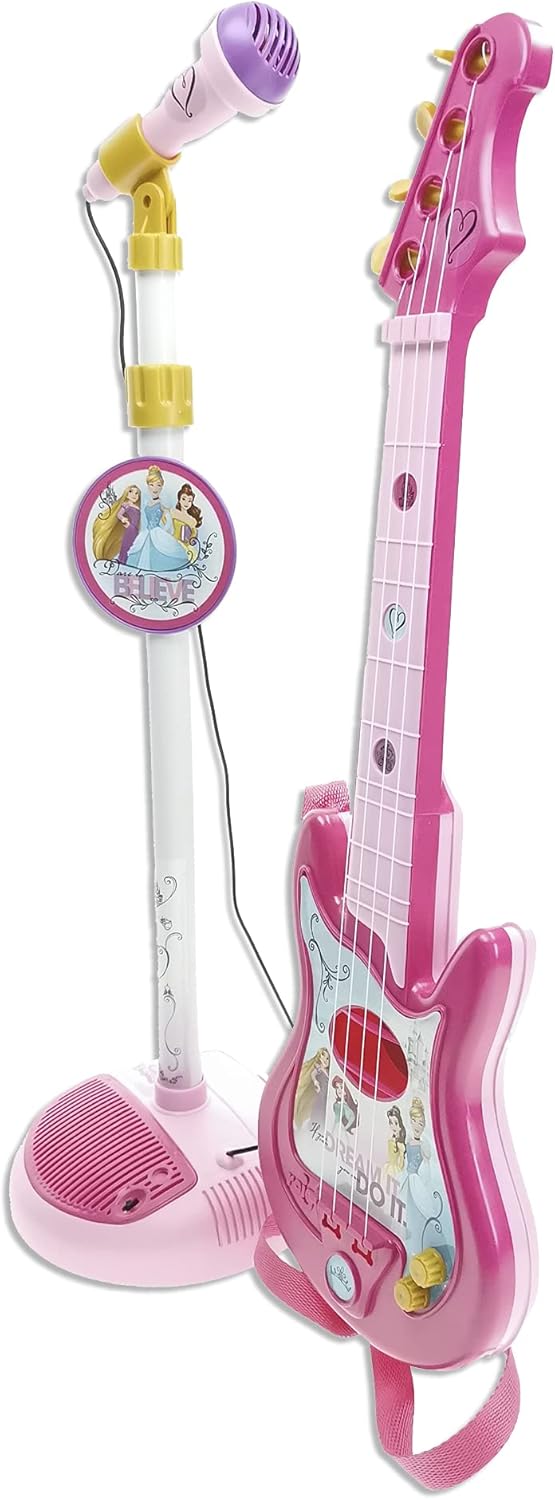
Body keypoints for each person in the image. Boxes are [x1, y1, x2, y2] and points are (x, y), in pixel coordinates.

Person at [127, 465, 189, 573]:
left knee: (162, 552)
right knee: (138, 550)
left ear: (162, 486)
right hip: (146, 532)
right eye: (151, 485)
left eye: (158, 485)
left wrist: (163, 531)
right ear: (148, 486)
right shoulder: (146, 503)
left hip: (157, 531)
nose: (155, 488)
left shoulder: (162, 503)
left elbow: (168, 519)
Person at [92, 484, 141, 563]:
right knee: (126, 544)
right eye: (131, 492)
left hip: (135, 529)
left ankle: (129, 561)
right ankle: (122, 560)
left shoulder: (137, 507)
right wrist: (123, 519)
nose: (134, 495)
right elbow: (119, 514)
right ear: (126, 494)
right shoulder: (126, 505)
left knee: (134, 545)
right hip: (130, 528)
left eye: (136, 493)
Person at [293, 1047, 330, 1128]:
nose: (325, 1060)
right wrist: (315, 1081)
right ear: (319, 1058)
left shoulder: (328, 1071)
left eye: (327, 1058)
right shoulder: (318, 1068)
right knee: (318, 1112)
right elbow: (313, 1074)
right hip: (320, 1095)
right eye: (323, 1057)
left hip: (326, 1096)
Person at [169, 483, 203, 561]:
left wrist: (191, 540)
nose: (186, 503)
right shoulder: (173, 512)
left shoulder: (192, 520)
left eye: (189, 500)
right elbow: (166, 523)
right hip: (173, 542)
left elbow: (194, 534)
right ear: (179, 500)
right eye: (184, 499)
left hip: (184, 546)